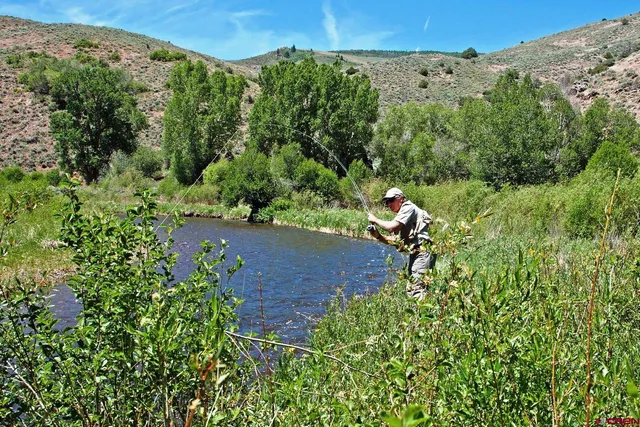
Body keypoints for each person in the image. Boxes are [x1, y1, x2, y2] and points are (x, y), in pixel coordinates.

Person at [367, 187, 435, 299]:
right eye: (386, 202)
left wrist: (375, 220)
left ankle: (422, 315)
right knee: (413, 289)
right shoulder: (403, 215)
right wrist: (378, 236)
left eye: (391, 200)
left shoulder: (408, 207)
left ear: (401, 198)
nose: (388, 204)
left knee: (417, 290)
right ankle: (421, 314)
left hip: (423, 252)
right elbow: (396, 241)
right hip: (417, 253)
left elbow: (391, 227)